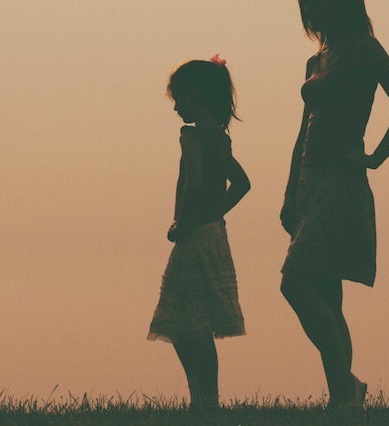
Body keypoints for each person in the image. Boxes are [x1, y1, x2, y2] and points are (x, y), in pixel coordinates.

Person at [280, 0, 389, 409]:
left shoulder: (365, 48)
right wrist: (290, 190)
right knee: (327, 293)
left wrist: (374, 157)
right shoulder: (315, 59)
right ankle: (344, 398)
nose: (313, 13)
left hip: (341, 180)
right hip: (309, 179)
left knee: (294, 282)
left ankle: (344, 386)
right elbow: (302, 128)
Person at [146, 55, 252, 410]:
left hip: (193, 234)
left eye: (178, 99)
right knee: (193, 318)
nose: (176, 108)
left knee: (181, 317)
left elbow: (193, 182)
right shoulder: (219, 139)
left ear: (194, 95)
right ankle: (204, 398)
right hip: (214, 234)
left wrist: (183, 222)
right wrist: (215, 212)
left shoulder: (191, 136)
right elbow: (241, 184)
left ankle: (204, 398)